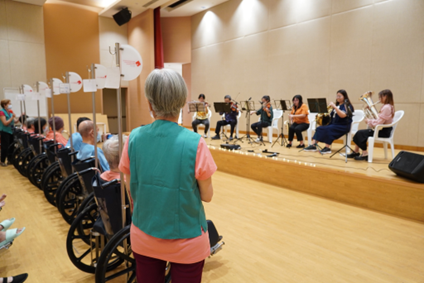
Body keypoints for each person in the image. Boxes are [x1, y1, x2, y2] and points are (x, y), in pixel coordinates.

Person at [119, 69, 216, 283]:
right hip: (187, 239)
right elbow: (207, 196)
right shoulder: (195, 143)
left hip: (144, 234)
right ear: (182, 102)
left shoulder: (133, 138)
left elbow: (130, 188)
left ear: (150, 103)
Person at [348, 89, 395, 161]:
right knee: (360, 133)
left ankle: (364, 153)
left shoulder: (386, 107)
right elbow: (379, 118)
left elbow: (379, 122)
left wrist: (369, 121)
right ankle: (356, 151)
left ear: (385, 96)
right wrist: (370, 111)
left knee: (360, 133)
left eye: (380, 97)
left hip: (383, 131)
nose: (379, 99)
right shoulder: (387, 106)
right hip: (382, 129)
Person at [304, 89, 354, 154]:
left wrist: (335, 107)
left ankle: (327, 148)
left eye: (340, 96)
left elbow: (343, 115)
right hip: (334, 124)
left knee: (329, 129)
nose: (338, 98)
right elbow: (331, 116)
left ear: (344, 97)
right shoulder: (337, 105)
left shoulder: (347, 105)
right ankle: (313, 145)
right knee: (319, 128)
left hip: (343, 125)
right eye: (337, 96)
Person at [0, 99, 17, 166]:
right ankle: (2, 161)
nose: (10, 105)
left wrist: (20, 117)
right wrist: (12, 117)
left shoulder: (10, 112)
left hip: (11, 131)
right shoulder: (2, 112)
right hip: (5, 131)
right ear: (5, 105)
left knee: (11, 146)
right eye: (9, 103)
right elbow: (5, 123)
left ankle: (10, 160)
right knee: (5, 146)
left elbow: (15, 121)